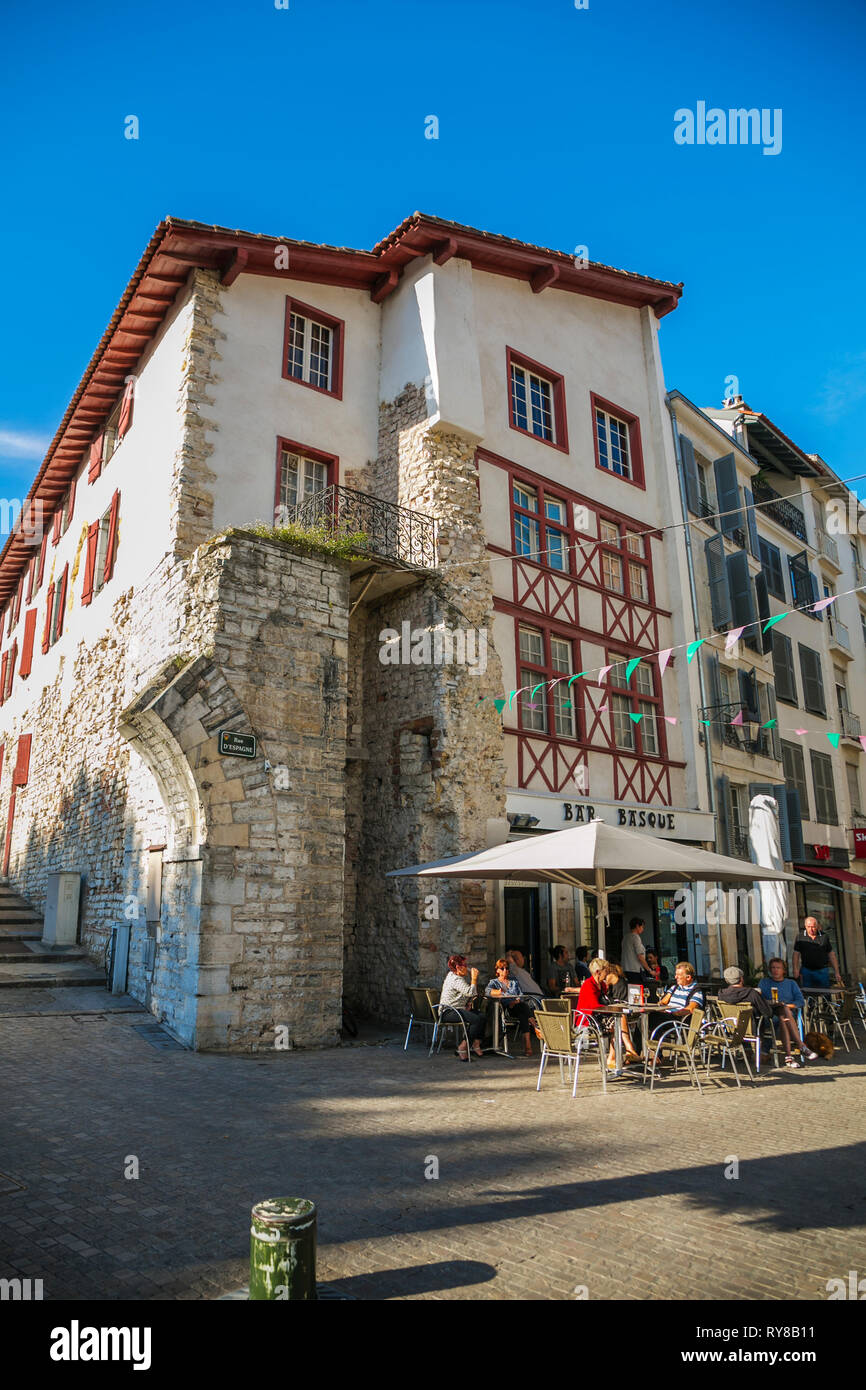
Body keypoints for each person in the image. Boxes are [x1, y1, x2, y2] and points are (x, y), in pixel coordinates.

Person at [759, 957, 817, 1068]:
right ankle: (800, 1046)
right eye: (773, 968)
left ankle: (789, 1057)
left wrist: (786, 1006)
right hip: (770, 1013)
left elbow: (800, 1001)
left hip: (788, 1013)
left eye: (778, 968)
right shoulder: (764, 982)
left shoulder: (791, 983)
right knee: (783, 1015)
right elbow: (759, 999)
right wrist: (772, 1003)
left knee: (783, 1016)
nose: (775, 970)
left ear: (784, 970)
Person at [438, 954, 485, 1061]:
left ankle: (475, 1043)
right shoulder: (455, 979)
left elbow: (463, 994)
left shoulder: (455, 976)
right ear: (458, 967)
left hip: (458, 1009)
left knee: (482, 1016)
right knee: (475, 1020)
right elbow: (471, 992)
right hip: (448, 1011)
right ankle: (462, 1047)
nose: (467, 968)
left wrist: (467, 1003)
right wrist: (474, 978)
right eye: (465, 965)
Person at [486, 959, 534, 1056]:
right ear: (497, 970)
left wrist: (516, 1001)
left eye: (506, 968)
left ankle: (528, 1046)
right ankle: (534, 1026)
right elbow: (487, 992)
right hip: (504, 1009)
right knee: (523, 1010)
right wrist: (506, 998)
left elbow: (521, 995)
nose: (505, 970)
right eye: (502, 968)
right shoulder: (494, 982)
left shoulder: (514, 982)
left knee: (522, 1014)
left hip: (516, 1007)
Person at [718, 965, 773, 1036]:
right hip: (752, 1030)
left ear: (726, 980)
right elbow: (768, 1012)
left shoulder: (722, 994)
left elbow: (720, 1014)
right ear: (741, 979)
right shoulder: (751, 993)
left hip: (731, 1029)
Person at [604, 962, 640, 1065]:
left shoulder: (615, 980)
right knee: (618, 1018)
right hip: (619, 1014)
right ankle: (629, 1050)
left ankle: (616, 1056)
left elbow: (605, 988)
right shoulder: (618, 982)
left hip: (621, 1013)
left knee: (619, 1017)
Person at [792, 917, 843, 990]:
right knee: (808, 993)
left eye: (813, 927)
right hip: (807, 970)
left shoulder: (824, 936)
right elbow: (796, 954)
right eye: (808, 927)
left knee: (825, 993)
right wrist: (795, 969)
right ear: (805, 926)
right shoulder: (800, 937)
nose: (811, 929)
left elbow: (831, 954)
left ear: (817, 926)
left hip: (822, 970)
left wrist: (837, 972)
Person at [621, 917, 650, 985]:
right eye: (642, 927)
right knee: (638, 991)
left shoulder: (625, 937)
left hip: (625, 969)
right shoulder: (635, 937)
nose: (643, 929)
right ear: (637, 926)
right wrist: (649, 969)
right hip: (635, 970)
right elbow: (640, 956)